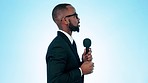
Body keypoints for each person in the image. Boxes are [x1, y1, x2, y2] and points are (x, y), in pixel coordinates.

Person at [46, 3, 94, 83]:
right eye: (75, 16)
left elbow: (68, 71)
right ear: (65, 20)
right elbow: (54, 80)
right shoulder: (58, 46)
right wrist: (81, 71)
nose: (78, 19)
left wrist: (82, 62)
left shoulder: (69, 43)